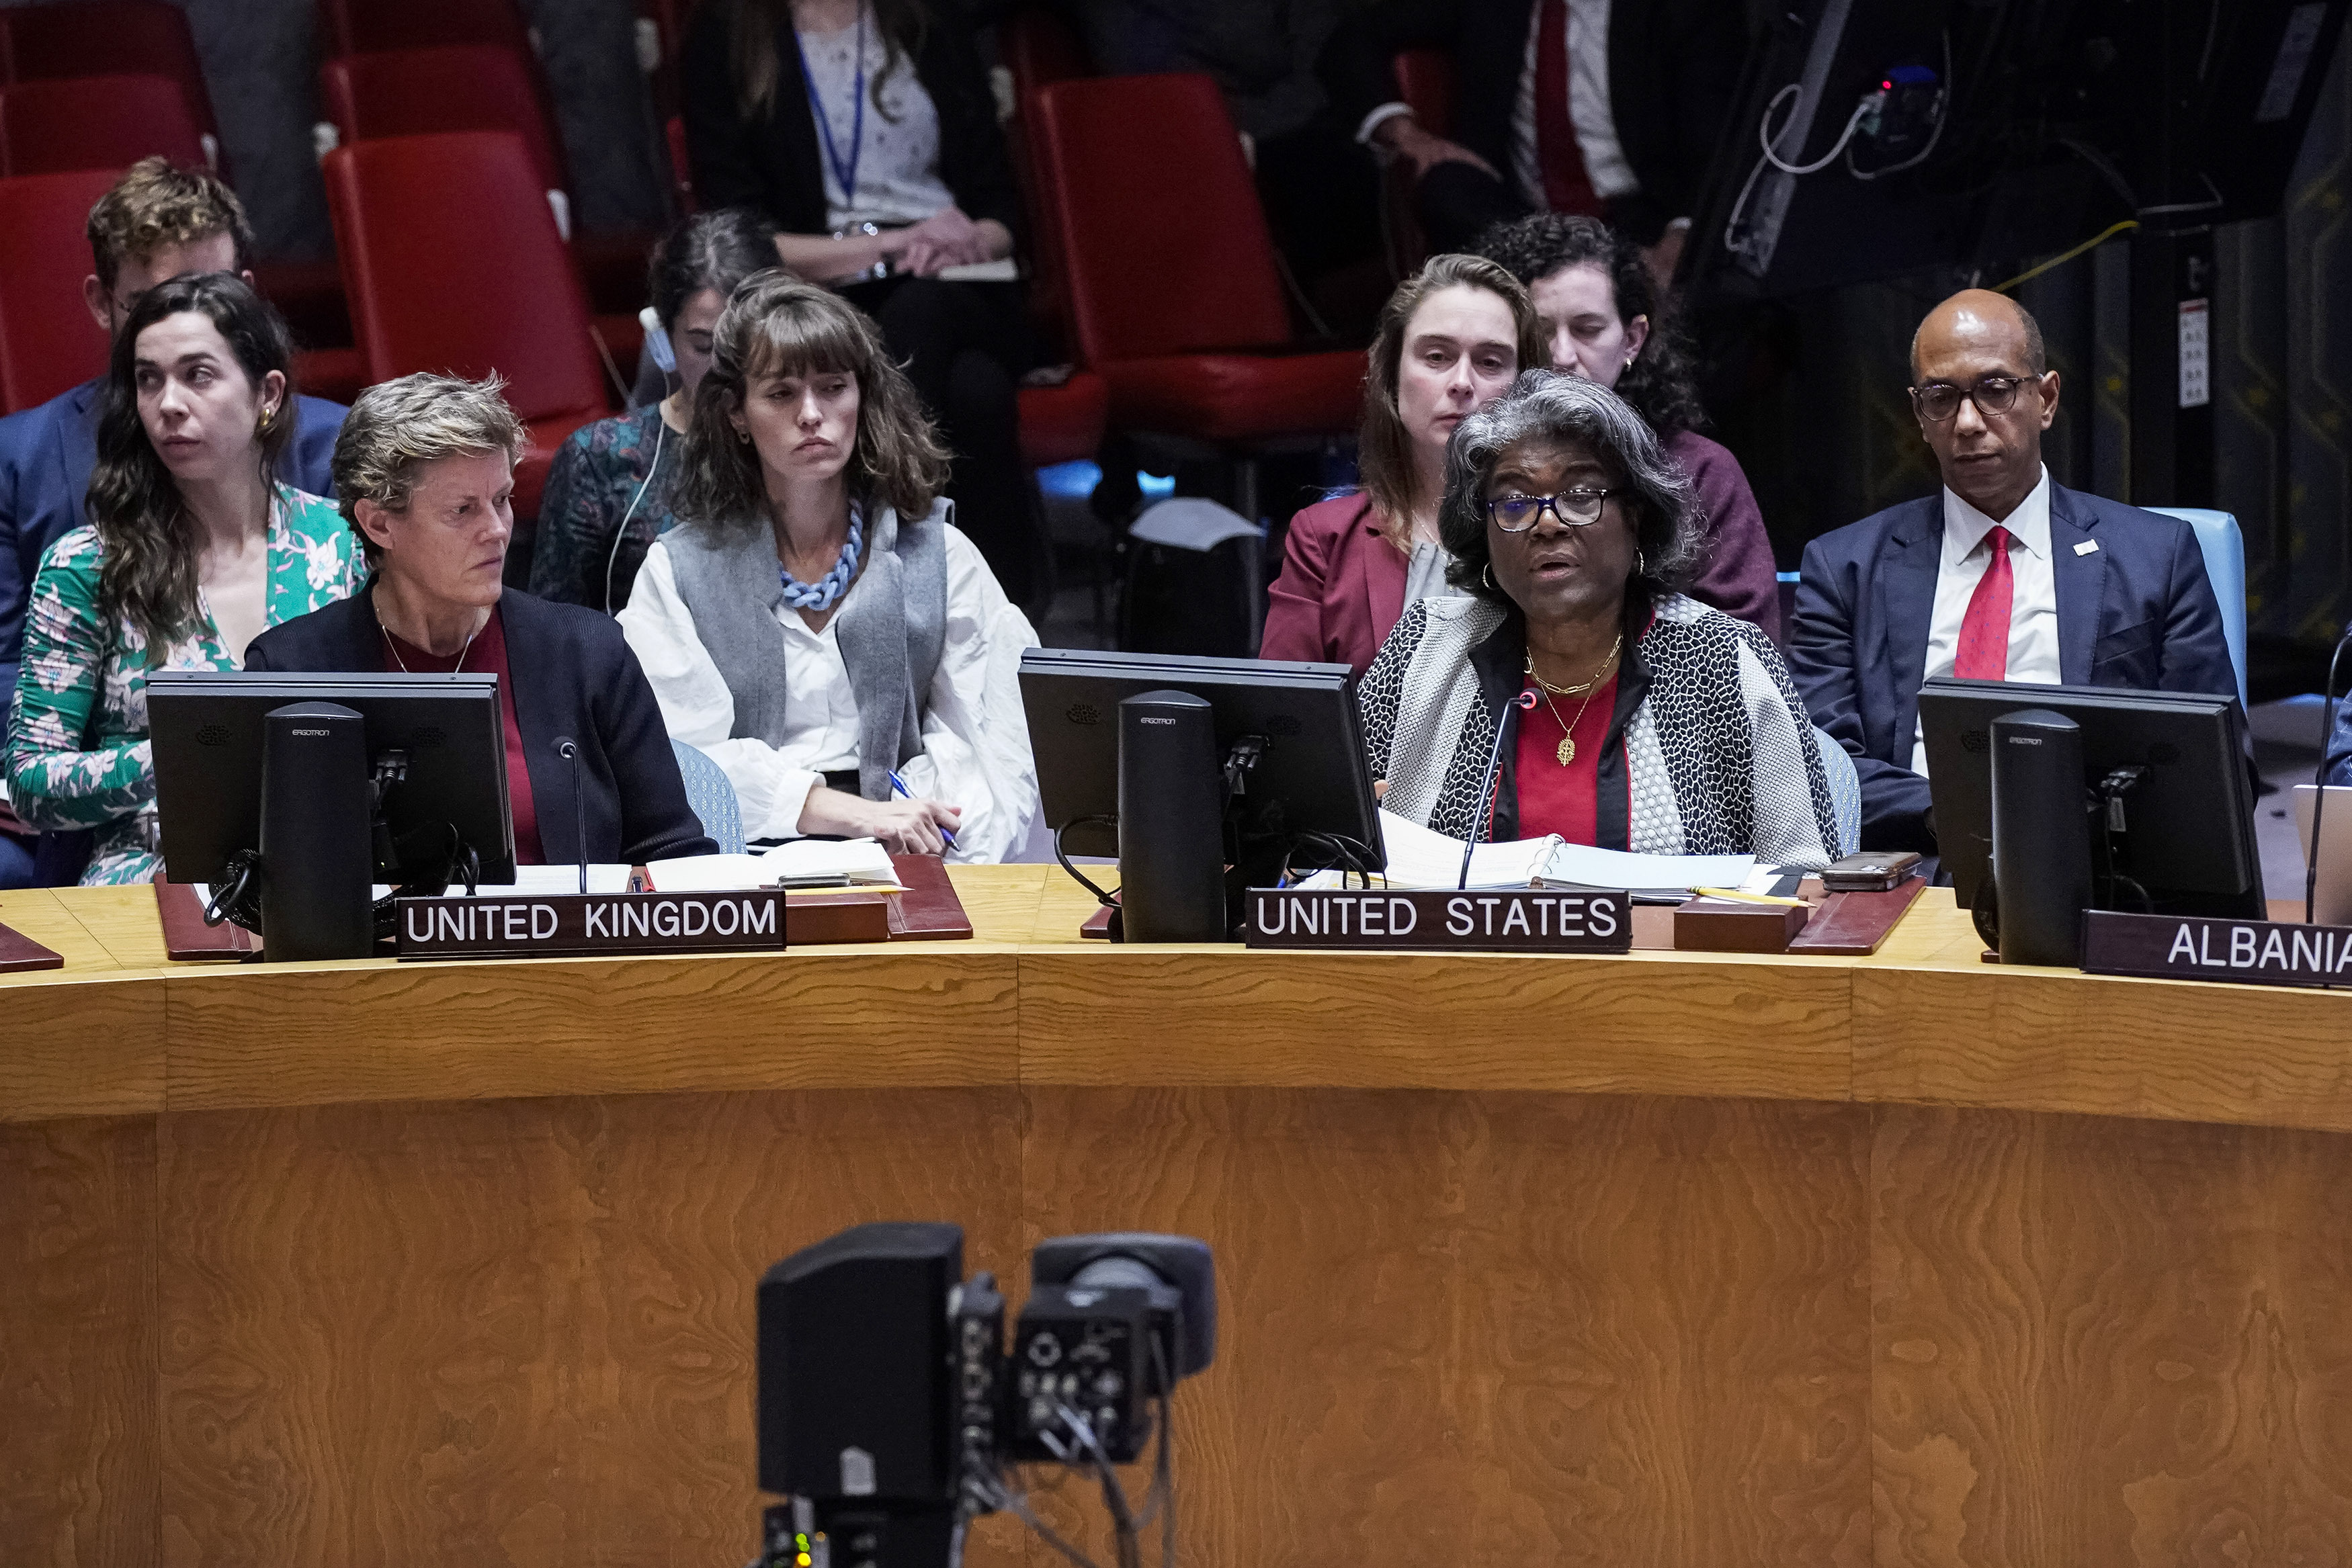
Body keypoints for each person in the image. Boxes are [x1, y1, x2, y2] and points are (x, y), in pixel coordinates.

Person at [1788, 290, 2236, 852]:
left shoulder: (2157, 556)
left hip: (2096, 862)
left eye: (1996, 390)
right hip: (1913, 861)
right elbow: (1819, 762)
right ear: (1919, 416)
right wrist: (1961, 815)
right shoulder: (1843, 567)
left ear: (2046, 400)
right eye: (1941, 397)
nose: (1969, 422)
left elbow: (2215, 760)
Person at [0, 159, 347, 884]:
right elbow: (32, 768)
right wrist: (196, 753)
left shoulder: (343, 537)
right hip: (148, 870)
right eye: (149, 377)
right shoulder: (84, 556)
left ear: (266, 392)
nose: (168, 403)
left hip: (326, 864)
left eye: (198, 373)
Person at [618, 272, 1041, 861]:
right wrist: (846, 815)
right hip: (742, 859)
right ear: (738, 413)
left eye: (834, 387)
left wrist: (942, 855)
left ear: (861, 399)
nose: (812, 414)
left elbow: (995, 751)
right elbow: (678, 759)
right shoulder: (679, 570)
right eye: (782, 394)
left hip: (918, 850)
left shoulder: (941, 556)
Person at [1361, 370, 1839, 865]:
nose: (1546, 523)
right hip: (1458, 943)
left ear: (1636, 516)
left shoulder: (1723, 660)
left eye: (1580, 495)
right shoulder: (1425, 646)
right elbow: (1329, 843)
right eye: (1515, 500)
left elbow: (1806, 882)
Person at [245, 374, 716, 868]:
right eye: (463, 510)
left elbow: (672, 852)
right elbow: (264, 875)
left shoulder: (588, 652)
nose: (496, 531)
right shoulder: (291, 672)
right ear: (379, 523)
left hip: (566, 944)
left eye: (502, 500)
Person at [681, 0, 1044, 611]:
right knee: (976, 393)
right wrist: (886, 244)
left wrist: (968, 237)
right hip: (821, 291)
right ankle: (998, 614)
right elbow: (740, 236)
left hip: (954, 281)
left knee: (919, 315)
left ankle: (872, 556)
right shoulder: (727, 38)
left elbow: (1002, 212)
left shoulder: (930, 22)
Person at [1478, 212, 1779, 638]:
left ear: (1632, 340)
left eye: (1588, 329)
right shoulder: (1480, 460)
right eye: (1541, 331)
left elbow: (1745, 646)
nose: (1562, 355)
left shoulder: (1700, 470)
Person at [1261, 253, 1542, 674]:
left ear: (1526, 384)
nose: (1462, 383)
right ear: (1392, 378)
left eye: (1490, 362)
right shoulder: (1325, 539)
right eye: (1436, 356)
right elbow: (1285, 719)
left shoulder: (1560, 530)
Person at [1318, 0, 1749, 267]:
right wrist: (1409, 136)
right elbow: (1354, 38)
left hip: (1640, 218)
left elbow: (1716, 142)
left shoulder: (1685, 10)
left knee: (1709, 242)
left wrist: (1681, 237)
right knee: (1446, 189)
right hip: (1521, 219)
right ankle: (1589, 276)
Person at [529, 208, 779, 613]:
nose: (726, 369)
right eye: (703, 346)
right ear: (662, 341)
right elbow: (557, 634)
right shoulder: (599, 459)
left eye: (746, 344)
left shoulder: (808, 442)